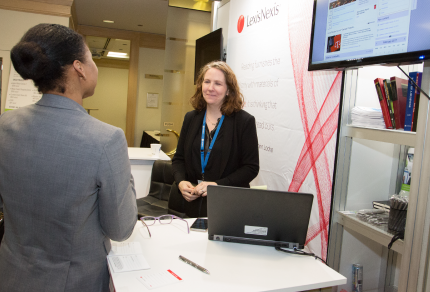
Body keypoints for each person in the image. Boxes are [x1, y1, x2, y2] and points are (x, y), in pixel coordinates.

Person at [0, 24, 137, 292]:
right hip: (74, 283)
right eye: (91, 59)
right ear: (79, 68)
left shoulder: (4, 125)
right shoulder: (106, 139)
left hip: (10, 276)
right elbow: (121, 229)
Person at [170, 61, 259, 218]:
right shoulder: (191, 118)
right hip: (192, 202)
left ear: (228, 90)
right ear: (200, 85)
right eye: (207, 82)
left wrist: (217, 185)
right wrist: (181, 182)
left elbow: (250, 167)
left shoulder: (244, 121)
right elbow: (179, 159)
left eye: (218, 83)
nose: (210, 88)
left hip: (228, 205)